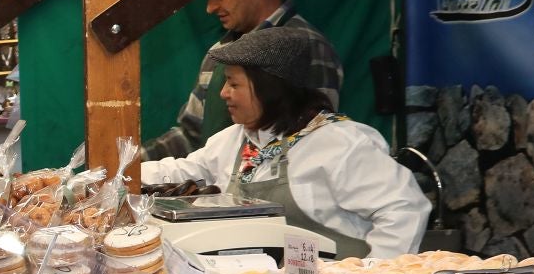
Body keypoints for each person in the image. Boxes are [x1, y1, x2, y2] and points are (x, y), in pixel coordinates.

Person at [141, 27, 426, 257]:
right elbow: (184, 171)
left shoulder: (338, 144)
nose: (223, 93)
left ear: (270, 90)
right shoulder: (236, 140)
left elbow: (404, 208)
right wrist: (118, 173)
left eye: (234, 84)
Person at [144, 0, 342, 160]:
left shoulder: (309, 46)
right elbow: (191, 136)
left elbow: (314, 139)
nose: (209, 8)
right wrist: (129, 163)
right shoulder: (219, 51)